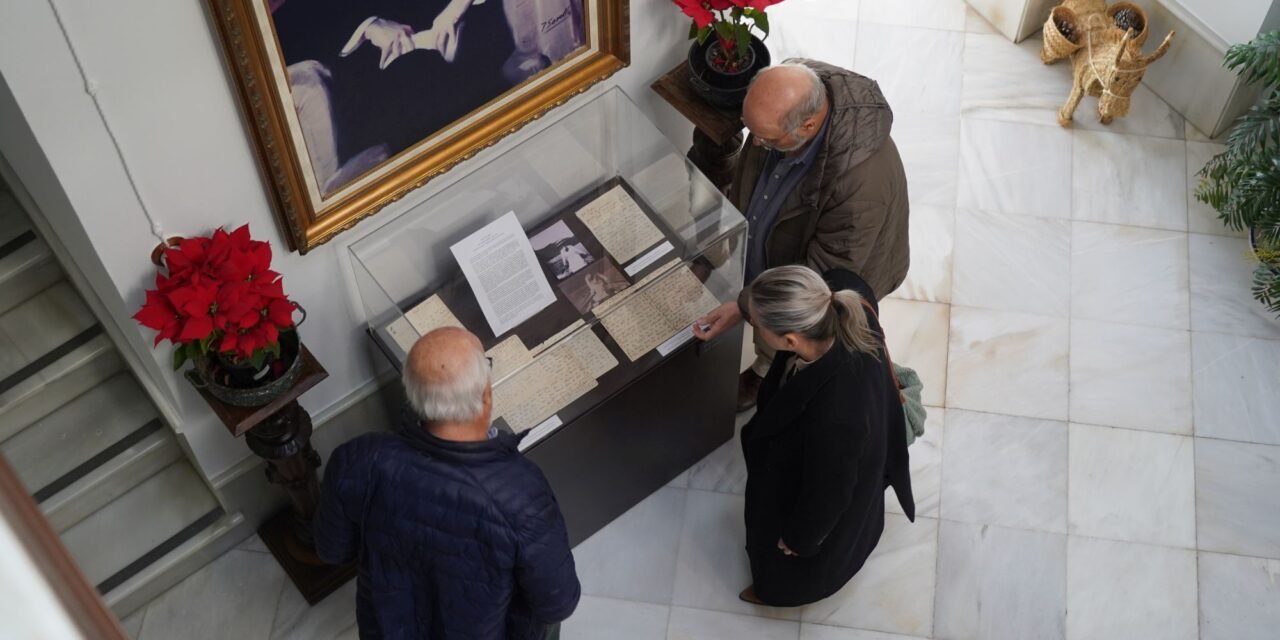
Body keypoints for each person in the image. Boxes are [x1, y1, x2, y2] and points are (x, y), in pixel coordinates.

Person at [314, 327, 580, 639]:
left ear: (413, 396)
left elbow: (332, 550)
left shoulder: (356, 459)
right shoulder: (521, 494)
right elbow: (557, 604)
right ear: (486, 394)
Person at [696, 60, 911, 411]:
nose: (757, 143)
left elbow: (818, 278)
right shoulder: (790, 89)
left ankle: (765, 369)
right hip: (783, 247)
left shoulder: (858, 186)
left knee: (784, 330)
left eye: (766, 139)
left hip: (835, 269)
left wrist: (746, 306)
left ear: (808, 125)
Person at [734, 265, 913, 607]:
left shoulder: (837, 414)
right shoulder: (838, 294)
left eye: (757, 324)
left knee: (789, 568)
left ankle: (776, 591)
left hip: (815, 498)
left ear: (789, 340)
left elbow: (829, 493)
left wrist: (799, 539)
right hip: (844, 459)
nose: (754, 326)